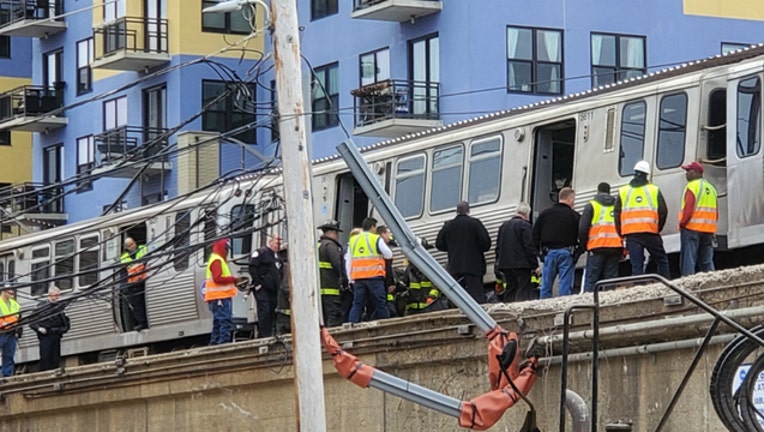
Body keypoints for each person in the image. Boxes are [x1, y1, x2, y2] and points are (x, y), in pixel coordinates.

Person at [614, 160, 670, 278]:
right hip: (650, 232)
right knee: (662, 261)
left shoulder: (623, 191)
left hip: (631, 234)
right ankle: (666, 286)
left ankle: (639, 291)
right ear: (646, 175)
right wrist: (657, 228)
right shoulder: (654, 190)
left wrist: (621, 233)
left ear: (634, 173)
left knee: (636, 267)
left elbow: (617, 214)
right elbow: (663, 211)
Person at [436, 201, 491, 304]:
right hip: (474, 268)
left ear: (457, 211)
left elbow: (439, 244)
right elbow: (486, 243)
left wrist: (452, 249)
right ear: (468, 211)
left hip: (455, 268)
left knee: (457, 298)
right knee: (477, 299)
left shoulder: (448, 225)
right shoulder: (475, 224)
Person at [533, 187, 581, 298]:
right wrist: (578, 252)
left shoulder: (545, 214)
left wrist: (540, 254)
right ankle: (563, 311)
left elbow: (534, 235)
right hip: (567, 253)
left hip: (549, 253)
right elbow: (583, 233)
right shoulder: (574, 216)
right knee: (565, 285)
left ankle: (544, 311)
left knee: (546, 286)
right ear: (570, 200)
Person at [346, 217, 393, 323]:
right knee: (380, 302)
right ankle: (386, 323)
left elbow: (348, 260)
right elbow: (389, 254)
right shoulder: (375, 238)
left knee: (357, 303)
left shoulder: (353, 240)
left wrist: (350, 279)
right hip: (374, 277)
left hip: (358, 278)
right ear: (372, 227)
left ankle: (351, 324)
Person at [579, 182, 623, 292]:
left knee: (591, 280)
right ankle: (607, 305)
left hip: (596, 247)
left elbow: (583, 228)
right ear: (609, 191)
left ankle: (588, 304)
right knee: (610, 280)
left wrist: (584, 245)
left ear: (598, 191)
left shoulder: (591, 205)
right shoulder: (617, 205)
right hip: (615, 247)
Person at [679, 161, 718, 276]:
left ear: (696, 172)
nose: (686, 174)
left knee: (689, 260)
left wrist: (682, 223)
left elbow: (688, 209)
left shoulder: (692, 187)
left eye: (688, 171)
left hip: (692, 228)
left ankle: (687, 287)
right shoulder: (711, 188)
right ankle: (712, 284)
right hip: (708, 230)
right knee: (706, 261)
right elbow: (716, 212)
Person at [495, 202, 540, 302]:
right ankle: (520, 309)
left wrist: (498, 262)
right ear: (526, 214)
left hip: (505, 265)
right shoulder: (525, 226)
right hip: (522, 265)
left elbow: (498, 247)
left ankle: (508, 309)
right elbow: (529, 247)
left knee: (511, 288)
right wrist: (535, 265)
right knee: (523, 288)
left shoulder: (503, 226)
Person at [205, 239, 242, 345]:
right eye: (226, 249)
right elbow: (217, 278)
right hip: (219, 297)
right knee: (224, 320)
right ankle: (223, 343)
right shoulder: (217, 261)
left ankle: (214, 343)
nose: (227, 252)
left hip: (217, 297)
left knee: (218, 322)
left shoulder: (216, 259)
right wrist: (233, 279)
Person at [249, 235, 283, 338]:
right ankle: (264, 334)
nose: (278, 246)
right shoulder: (261, 253)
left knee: (273, 309)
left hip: (273, 289)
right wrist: (257, 283)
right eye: (277, 243)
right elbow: (252, 267)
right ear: (271, 242)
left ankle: (271, 332)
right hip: (262, 288)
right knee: (265, 309)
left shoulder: (277, 257)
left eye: (280, 244)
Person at [29, 286, 70, 371]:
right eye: (54, 295)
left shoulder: (59, 307)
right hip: (45, 336)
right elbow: (31, 321)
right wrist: (39, 328)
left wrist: (62, 329)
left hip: (56, 335)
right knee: (45, 358)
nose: (56, 298)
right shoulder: (41, 307)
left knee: (55, 358)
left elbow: (65, 322)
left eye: (58, 295)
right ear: (49, 295)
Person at [317, 220, 347, 327]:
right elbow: (338, 265)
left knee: (323, 318)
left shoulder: (318, 245)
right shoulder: (330, 246)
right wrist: (345, 279)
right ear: (330, 232)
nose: (337, 235)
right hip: (331, 289)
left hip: (320, 290)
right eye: (336, 232)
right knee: (334, 317)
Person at [120, 237, 149, 331]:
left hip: (145, 281)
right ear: (126, 247)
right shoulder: (124, 258)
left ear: (135, 243)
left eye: (132, 244)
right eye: (128, 246)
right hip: (134, 285)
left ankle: (146, 321)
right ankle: (142, 323)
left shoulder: (143, 249)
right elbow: (124, 273)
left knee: (145, 302)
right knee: (137, 305)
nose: (131, 246)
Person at [0, 286, 21, 377]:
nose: (12, 292)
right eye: (10, 290)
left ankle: (6, 376)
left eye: (12, 290)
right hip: (1, 332)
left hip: (11, 333)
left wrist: (18, 331)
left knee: (9, 356)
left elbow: (19, 318)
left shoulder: (15, 304)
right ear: (3, 291)